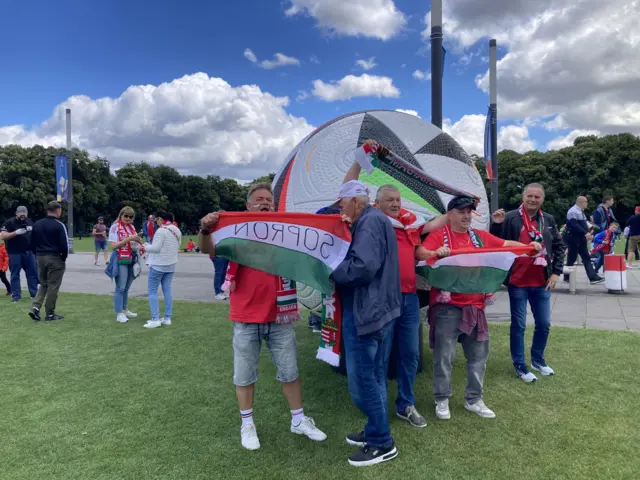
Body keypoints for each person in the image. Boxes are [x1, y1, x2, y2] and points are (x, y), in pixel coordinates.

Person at [198, 182, 326, 451]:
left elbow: (317, 230)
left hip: (279, 316)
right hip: (246, 316)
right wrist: (205, 229)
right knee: (244, 376)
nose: (265, 202)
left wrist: (340, 221)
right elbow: (209, 250)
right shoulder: (236, 230)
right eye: (259, 199)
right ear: (248, 205)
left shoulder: (285, 232)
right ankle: (247, 424)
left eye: (269, 199)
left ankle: (298, 419)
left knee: (290, 372)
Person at [416, 195, 540, 419]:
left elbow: (505, 245)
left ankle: (474, 399)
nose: (466, 216)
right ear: (450, 214)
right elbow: (420, 252)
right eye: (461, 211)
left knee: (478, 355)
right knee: (445, 355)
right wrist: (435, 253)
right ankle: (442, 399)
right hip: (447, 306)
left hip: (476, 305)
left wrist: (528, 247)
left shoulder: (480, 237)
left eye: (469, 212)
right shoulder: (438, 236)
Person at [330, 180, 401, 467]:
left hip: (366, 312)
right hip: (377, 309)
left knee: (361, 382)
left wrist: (330, 269)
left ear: (356, 201)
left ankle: (381, 442)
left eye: (342, 203)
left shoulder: (370, 222)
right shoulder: (373, 219)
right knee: (373, 376)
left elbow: (363, 267)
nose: (340, 208)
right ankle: (375, 431)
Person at [374, 184, 448, 427]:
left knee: (411, 354)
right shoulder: (370, 222)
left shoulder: (408, 224)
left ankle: (405, 404)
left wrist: (460, 204)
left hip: (408, 298)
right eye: (389, 200)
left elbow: (426, 235)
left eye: (397, 199)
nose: (395, 204)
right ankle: (378, 406)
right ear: (378, 202)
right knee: (381, 356)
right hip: (383, 300)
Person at [491, 184, 565, 383]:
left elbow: (558, 246)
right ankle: (520, 365)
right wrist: (497, 224)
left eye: (537, 197)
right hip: (518, 281)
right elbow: (495, 243)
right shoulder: (510, 217)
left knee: (544, 323)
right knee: (519, 325)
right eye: (530, 196)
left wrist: (556, 272)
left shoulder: (547, 219)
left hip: (541, 281)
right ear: (523, 197)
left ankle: (538, 360)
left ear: (542, 199)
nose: (533, 199)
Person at [28, 201, 68, 321]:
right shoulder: (59, 225)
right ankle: (50, 313)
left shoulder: (37, 224)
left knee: (43, 284)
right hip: (55, 257)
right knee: (53, 285)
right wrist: (63, 258)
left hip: (40, 256)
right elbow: (64, 245)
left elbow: (31, 243)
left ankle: (35, 307)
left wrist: (37, 254)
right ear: (57, 210)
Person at [143, 211, 181, 329]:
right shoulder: (176, 230)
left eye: (157, 219)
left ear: (161, 219)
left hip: (158, 264)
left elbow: (155, 248)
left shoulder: (161, 231)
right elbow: (178, 246)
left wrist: (145, 247)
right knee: (167, 290)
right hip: (171, 264)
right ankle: (167, 317)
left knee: (152, 291)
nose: (156, 221)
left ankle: (155, 318)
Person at [108, 206, 144, 323]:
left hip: (132, 258)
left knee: (127, 287)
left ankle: (125, 309)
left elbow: (133, 241)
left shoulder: (131, 227)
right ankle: (119, 313)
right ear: (121, 215)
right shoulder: (115, 227)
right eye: (126, 216)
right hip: (120, 258)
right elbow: (113, 246)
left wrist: (137, 240)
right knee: (121, 287)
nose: (128, 218)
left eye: (130, 216)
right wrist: (128, 239)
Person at [0, 206, 38, 303]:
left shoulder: (30, 221)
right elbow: (2, 236)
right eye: (20, 213)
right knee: (15, 274)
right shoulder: (9, 222)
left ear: (27, 213)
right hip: (14, 252)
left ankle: (34, 294)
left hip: (29, 252)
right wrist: (15, 233)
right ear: (16, 213)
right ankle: (16, 296)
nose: (22, 215)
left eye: (24, 213)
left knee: (32, 274)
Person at [564, 197, 604, 284]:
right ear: (581, 202)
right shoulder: (573, 211)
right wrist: (585, 233)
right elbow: (574, 225)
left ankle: (593, 277)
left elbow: (583, 222)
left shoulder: (579, 211)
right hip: (574, 237)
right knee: (572, 257)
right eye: (586, 202)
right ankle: (567, 276)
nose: (587, 204)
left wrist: (590, 227)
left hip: (580, 237)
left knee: (586, 257)